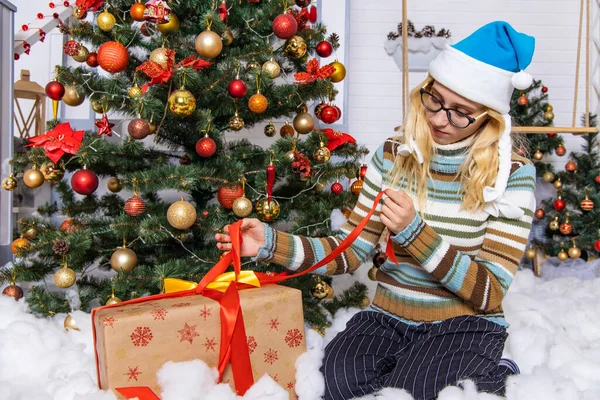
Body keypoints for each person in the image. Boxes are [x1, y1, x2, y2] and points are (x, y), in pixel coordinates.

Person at [216, 21, 536, 400]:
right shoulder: (394, 154)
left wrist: (415, 234)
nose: (437, 118)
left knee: (415, 391)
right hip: (390, 316)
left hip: (463, 322)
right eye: (434, 100)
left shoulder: (511, 175)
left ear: (489, 117)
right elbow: (349, 252)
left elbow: (490, 293)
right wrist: (270, 243)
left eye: (460, 112)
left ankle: (490, 368)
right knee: (334, 383)